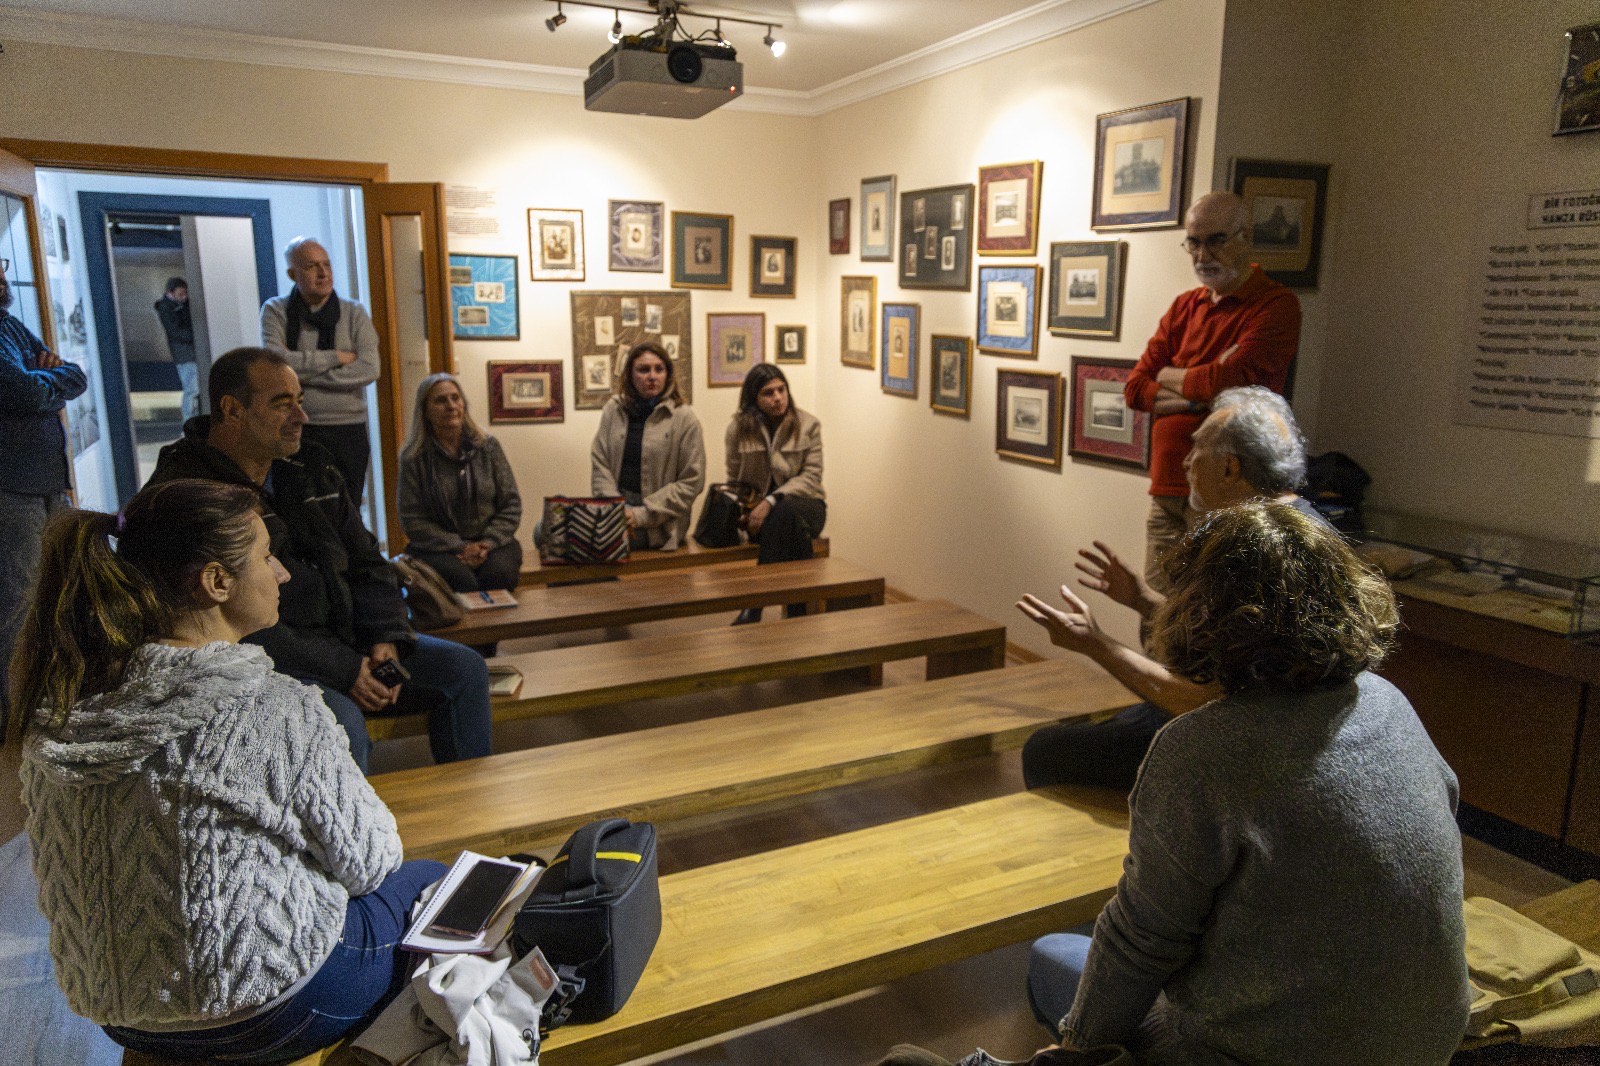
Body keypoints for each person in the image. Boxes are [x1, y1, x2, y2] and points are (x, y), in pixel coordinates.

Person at [13, 477, 445, 1063]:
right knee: (428, 880)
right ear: (216, 581)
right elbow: (371, 863)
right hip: (270, 1012)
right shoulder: (275, 707)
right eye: (266, 556)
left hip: (118, 1014)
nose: (282, 573)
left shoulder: (63, 705)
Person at [1025, 501, 1470, 1065]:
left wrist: (1077, 1050)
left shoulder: (1201, 749)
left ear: (1200, 613)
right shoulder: (1388, 702)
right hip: (1427, 1041)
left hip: (1265, 1054)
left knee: (1051, 956)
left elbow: (1141, 940)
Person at [148, 346, 492, 773]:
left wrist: (385, 639)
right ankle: (346, 819)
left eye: (300, 401)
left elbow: (368, 562)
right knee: (339, 723)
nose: (301, 416)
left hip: (345, 639)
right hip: (262, 662)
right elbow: (230, 620)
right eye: (282, 404)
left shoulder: (310, 465)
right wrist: (345, 669)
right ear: (232, 410)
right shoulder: (185, 493)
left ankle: (471, 804)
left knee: (464, 668)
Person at [1016, 386, 1323, 790]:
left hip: (1241, 751)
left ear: (1229, 469)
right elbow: (1229, 642)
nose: (1186, 461)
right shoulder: (1306, 522)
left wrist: (1094, 643)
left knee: (1043, 750)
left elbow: (1203, 700)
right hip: (1260, 729)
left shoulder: (1255, 551)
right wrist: (1143, 600)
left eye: (1197, 450)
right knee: (1116, 724)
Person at [1124, 191, 1301, 592]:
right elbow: (1135, 388)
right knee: (1157, 603)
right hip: (1168, 483)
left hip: (1226, 489)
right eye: (1194, 242)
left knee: (1210, 604)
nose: (1203, 255)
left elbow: (1227, 383)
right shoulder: (1184, 306)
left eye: (1216, 240)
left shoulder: (1276, 306)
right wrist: (1198, 396)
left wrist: (1171, 375)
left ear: (1246, 237)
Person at [0, 254, 88, 735]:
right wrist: (46, 383)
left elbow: (75, 375)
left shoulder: (9, 325)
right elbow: (27, 393)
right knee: (19, 604)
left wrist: (44, 380)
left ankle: (54, 701)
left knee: (61, 590)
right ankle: (18, 718)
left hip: (47, 481)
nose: (2, 275)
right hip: (12, 489)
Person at [260, 236, 380, 503]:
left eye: (326, 264)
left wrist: (300, 376)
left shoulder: (355, 313)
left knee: (346, 509)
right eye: (312, 266)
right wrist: (335, 357)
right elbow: (276, 363)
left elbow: (370, 369)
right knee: (297, 509)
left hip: (347, 430)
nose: (323, 273)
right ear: (293, 274)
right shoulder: (275, 310)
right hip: (294, 427)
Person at [398, 372, 523, 593]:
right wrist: (460, 546)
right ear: (425, 411)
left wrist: (486, 543)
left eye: (455, 398)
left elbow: (511, 504)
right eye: (441, 400)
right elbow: (412, 519)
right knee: (462, 582)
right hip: (437, 548)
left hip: (492, 542)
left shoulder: (488, 447)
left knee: (498, 576)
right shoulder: (414, 458)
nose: (451, 406)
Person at [723, 363, 825, 625]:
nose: (778, 397)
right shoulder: (738, 429)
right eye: (768, 393)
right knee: (789, 529)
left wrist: (771, 500)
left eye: (782, 390)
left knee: (784, 511)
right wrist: (747, 508)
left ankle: (754, 605)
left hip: (807, 505)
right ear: (754, 398)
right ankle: (798, 614)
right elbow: (735, 479)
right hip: (760, 516)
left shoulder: (808, 425)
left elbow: (812, 477)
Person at [591, 340, 705, 551]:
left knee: (594, 542)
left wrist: (640, 515)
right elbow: (600, 464)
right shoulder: (613, 410)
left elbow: (692, 482)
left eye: (659, 369)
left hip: (660, 522)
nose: (652, 376)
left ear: (667, 375)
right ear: (630, 375)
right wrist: (616, 510)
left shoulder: (683, 418)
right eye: (643, 370)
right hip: (616, 510)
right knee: (545, 529)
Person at [153, 276, 199, 419]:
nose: (184, 297)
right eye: (180, 294)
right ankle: (189, 420)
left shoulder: (182, 306)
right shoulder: (166, 309)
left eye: (185, 293)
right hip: (184, 354)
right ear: (170, 293)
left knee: (193, 388)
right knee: (192, 389)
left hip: (187, 352)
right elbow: (175, 332)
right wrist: (195, 336)